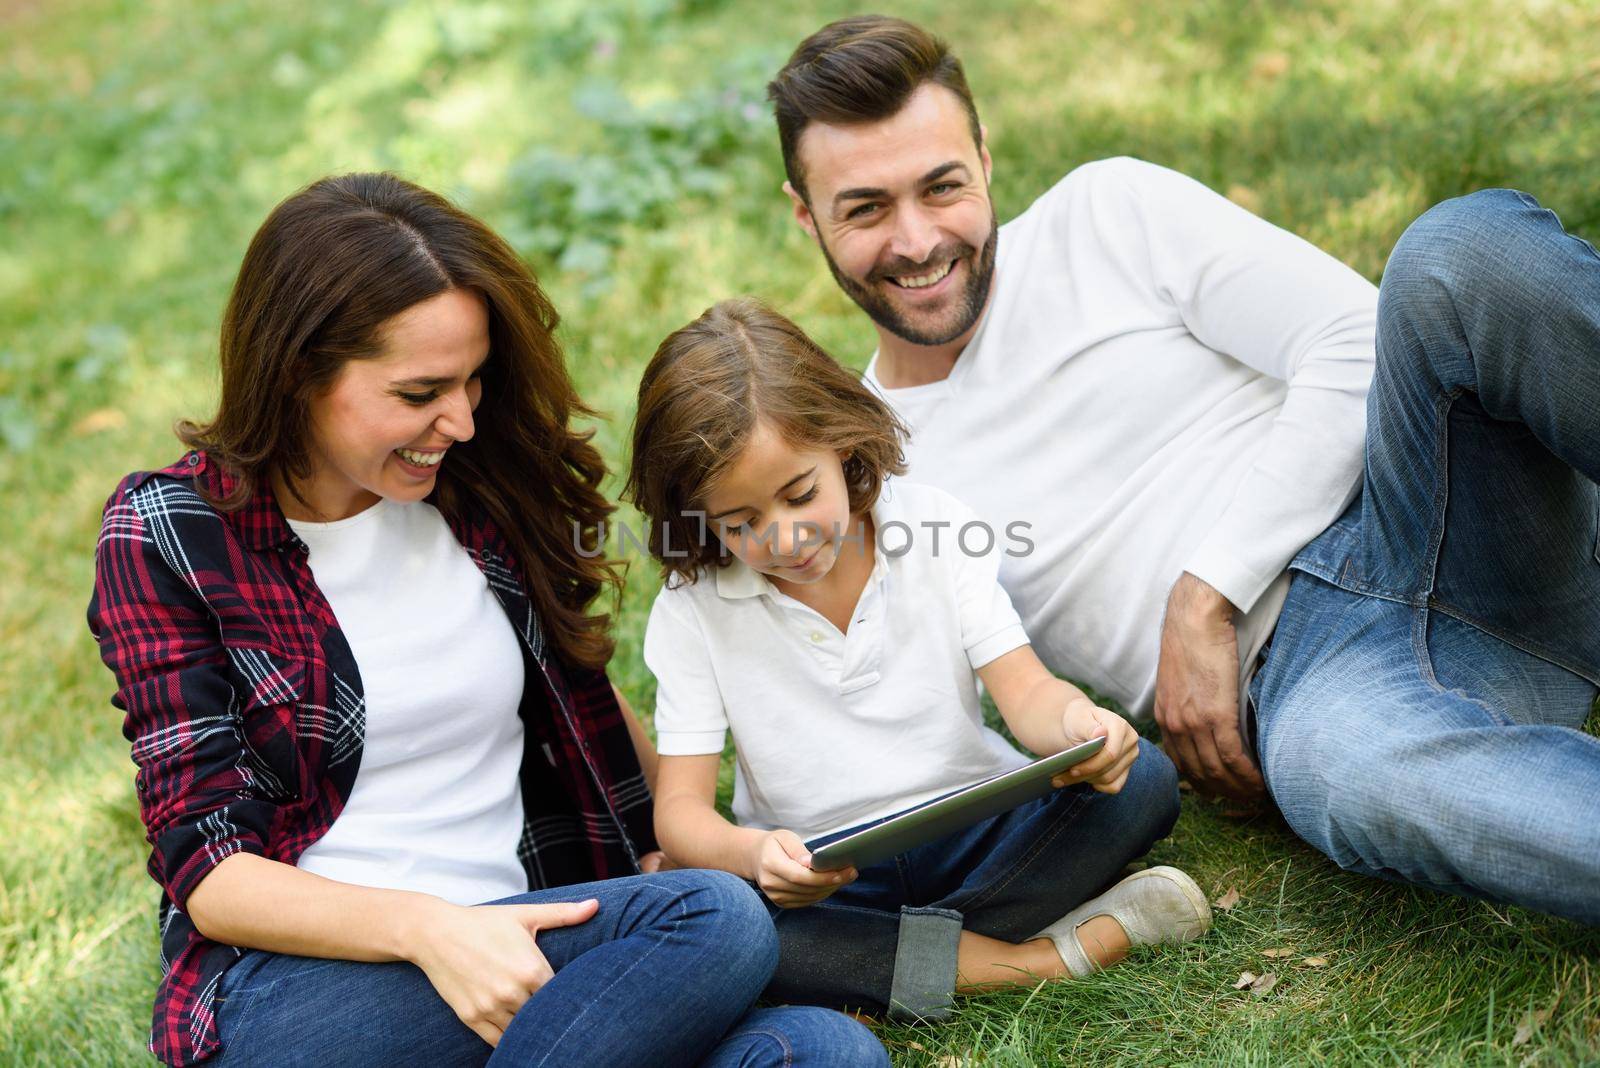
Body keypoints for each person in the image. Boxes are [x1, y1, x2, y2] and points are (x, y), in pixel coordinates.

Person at [762, 15, 1600, 924]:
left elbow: (1351, 341)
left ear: (986, 159)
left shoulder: (1107, 214)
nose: (919, 240)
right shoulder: (861, 464)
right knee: (1348, 775)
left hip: (1445, 499)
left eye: (942, 186)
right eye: (866, 208)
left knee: (1459, 255)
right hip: (1315, 680)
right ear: (805, 215)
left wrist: (1207, 593)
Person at [87, 173, 887, 1067]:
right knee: (715, 924)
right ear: (299, 370)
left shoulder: (477, 493)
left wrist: (687, 840)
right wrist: (433, 932)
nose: (460, 420)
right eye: (421, 391)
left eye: (473, 381)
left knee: (820, 1052)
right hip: (305, 991)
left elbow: (577, 697)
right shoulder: (172, 532)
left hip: (532, 963)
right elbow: (211, 874)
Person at [624, 297, 1209, 1023]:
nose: (785, 536)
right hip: (827, 878)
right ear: (698, 519)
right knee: (734, 917)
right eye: (742, 523)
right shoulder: (694, 610)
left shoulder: (932, 527)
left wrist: (1080, 726)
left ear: (841, 443)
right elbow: (678, 813)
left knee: (1143, 779)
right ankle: (1034, 960)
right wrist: (751, 856)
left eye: (800, 492)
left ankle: (899, 958)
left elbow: (1026, 693)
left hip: (979, 833)